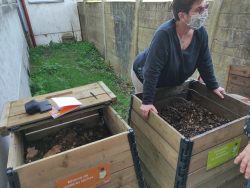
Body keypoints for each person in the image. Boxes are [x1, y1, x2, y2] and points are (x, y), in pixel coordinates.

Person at [131, 0, 225, 119]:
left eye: (206, 7)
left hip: (167, 78)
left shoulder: (201, 33)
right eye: (199, 9)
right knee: (148, 113)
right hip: (144, 75)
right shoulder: (164, 34)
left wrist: (213, 86)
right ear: (182, 15)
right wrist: (147, 101)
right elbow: (152, 70)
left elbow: (204, 61)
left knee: (164, 109)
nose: (205, 12)